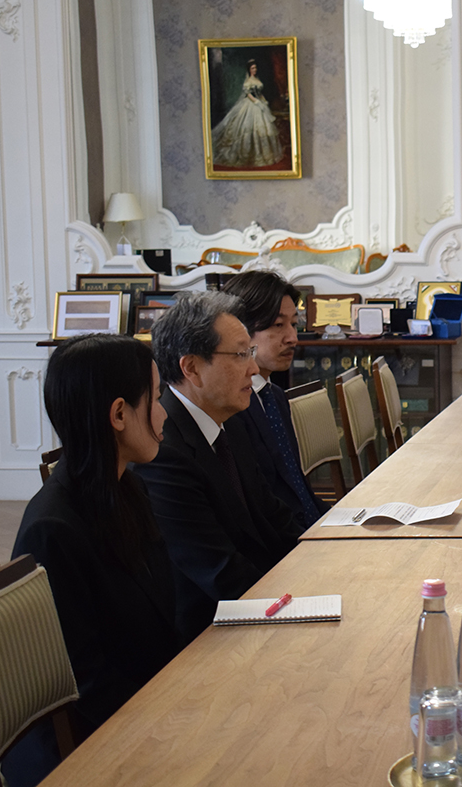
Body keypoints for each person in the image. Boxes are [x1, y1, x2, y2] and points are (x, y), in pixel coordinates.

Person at [3, 335, 184, 787]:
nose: (164, 414)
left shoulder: (127, 487)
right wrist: (180, 718)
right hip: (85, 751)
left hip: (145, 709)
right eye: (156, 398)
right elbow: (84, 685)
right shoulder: (53, 531)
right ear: (119, 414)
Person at [133, 291, 300, 637]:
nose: (253, 368)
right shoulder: (162, 453)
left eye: (250, 353)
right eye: (241, 355)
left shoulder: (229, 422)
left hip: (261, 601)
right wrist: (300, 601)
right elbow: (219, 572)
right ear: (192, 368)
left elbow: (274, 517)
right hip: (209, 633)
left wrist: (323, 567)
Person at [223, 271, 325, 530]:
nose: (293, 338)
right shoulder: (230, 408)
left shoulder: (275, 396)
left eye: (294, 324)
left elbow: (297, 488)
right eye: (278, 325)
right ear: (239, 330)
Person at [210, 59, 284, 169]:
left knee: (264, 128)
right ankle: (249, 156)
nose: (255, 70)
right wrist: (256, 102)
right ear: (249, 70)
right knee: (248, 128)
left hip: (260, 103)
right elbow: (248, 94)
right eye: (252, 68)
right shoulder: (248, 81)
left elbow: (259, 93)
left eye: (255, 68)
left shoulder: (257, 79)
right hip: (251, 104)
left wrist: (263, 100)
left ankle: (263, 154)